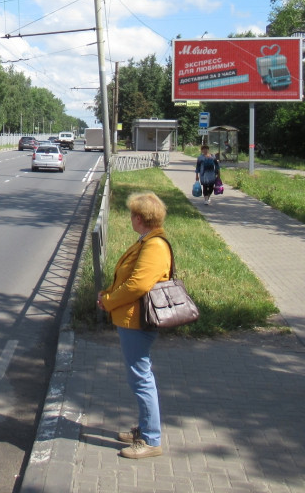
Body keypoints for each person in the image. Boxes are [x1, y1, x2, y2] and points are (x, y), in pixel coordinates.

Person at [97, 192, 172, 459]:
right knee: (139, 376)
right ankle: (145, 428)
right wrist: (107, 293)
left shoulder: (154, 246)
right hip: (132, 318)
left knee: (141, 378)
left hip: (138, 321)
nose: (130, 218)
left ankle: (151, 440)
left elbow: (137, 285)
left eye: (132, 214)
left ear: (139, 218)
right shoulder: (146, 241)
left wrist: (109, 301)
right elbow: (126, 276)